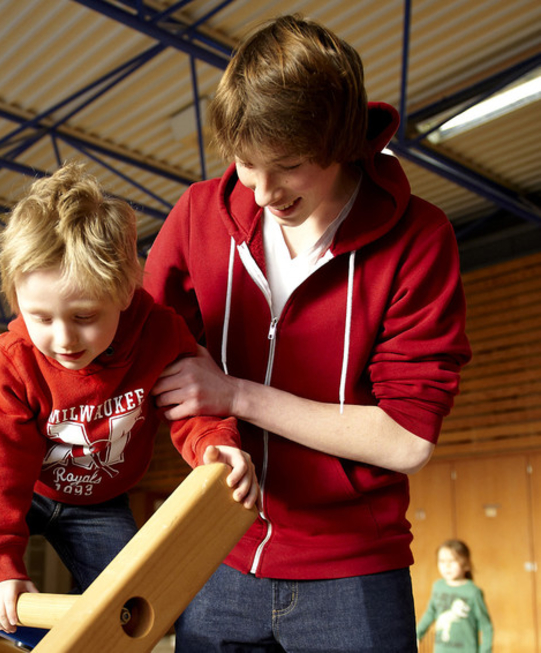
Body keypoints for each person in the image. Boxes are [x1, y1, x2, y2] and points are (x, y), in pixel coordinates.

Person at [143, 14, 472, 653]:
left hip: (351, 570)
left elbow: (406, 439)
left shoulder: (420, 241)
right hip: (217, 558)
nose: (263, 191)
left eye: (288, 166)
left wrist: (235, 395)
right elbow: (135, 347)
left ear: (343, 141)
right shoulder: (196, 217)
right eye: (245, 163)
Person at [0, 162, 258, 634]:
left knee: (129, 610)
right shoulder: (10, 360)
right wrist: (1, 564)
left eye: (85, 315)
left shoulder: (160, 335)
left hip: (100, 503)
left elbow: (191, 407)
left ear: (126, 290)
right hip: (22, 487)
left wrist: (213, 443)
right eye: (41, 318)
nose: (64, 338)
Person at [416, 540, 493, 652]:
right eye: (442, 561)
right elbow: (430, 613)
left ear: (466, 564)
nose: (447, 566)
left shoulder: (473, 592)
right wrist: (417, 635)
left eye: (452, 561)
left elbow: (486, 627)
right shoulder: (437, 587)